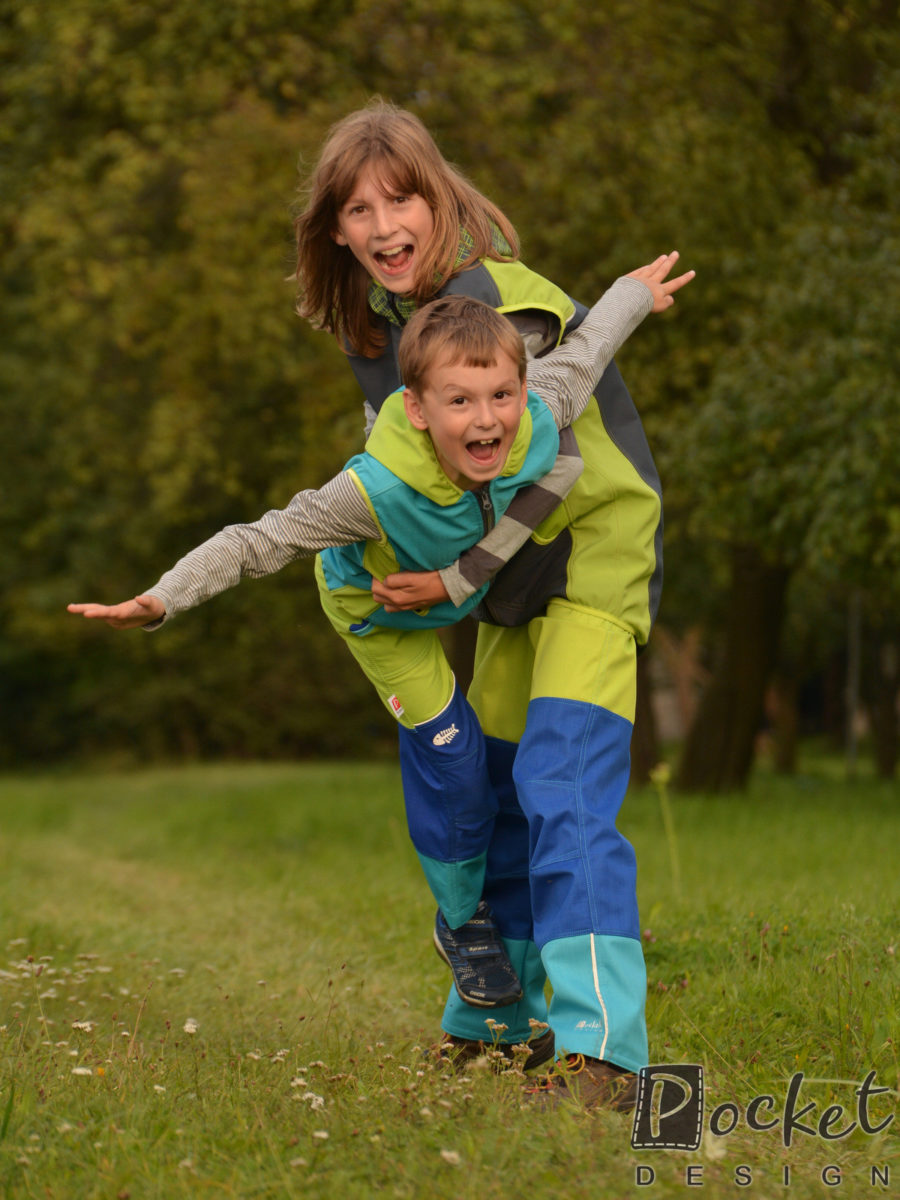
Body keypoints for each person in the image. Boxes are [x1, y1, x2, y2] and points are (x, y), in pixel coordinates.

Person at [67, 265, 691, 1080]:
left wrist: (635, 291)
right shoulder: (367, 490)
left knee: (524, 786)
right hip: (380, 620)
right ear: (417, 409)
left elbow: (590, 361)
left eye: (501, 396)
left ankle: (554, 1040)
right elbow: (261, 540)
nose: (488, 419)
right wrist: (161, 599)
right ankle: (463, 923)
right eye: (460, 403)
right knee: (462, 771)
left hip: (449, 596)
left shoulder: (542, 408)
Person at [291, 99, 687, 1109]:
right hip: (509, 590)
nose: (383, 226)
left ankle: (610, 1063)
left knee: (559, 784)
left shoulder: (495, 299)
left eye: (402, 198)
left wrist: (449, 580)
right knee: (498, 796)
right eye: (358, 208)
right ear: (333, 230)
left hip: (588, 557)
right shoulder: (380, 347)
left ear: (442, 199)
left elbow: (524, 454)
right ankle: (499, 1023)